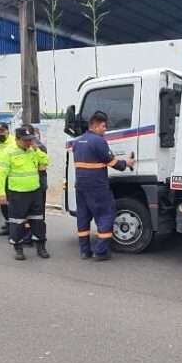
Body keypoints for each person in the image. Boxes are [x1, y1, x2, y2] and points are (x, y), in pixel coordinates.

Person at [71, 111, 134, 260]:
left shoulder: (77, 142)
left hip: (80, 186)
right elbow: (111, 162)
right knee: (106, 214)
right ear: (95, 125)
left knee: (83, 217)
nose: (105, 130)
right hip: (97, 186)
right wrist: (127, 164)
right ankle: (100, 252)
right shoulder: (98, 141)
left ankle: (85, 251)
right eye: (103, 126)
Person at [0, 126, 51, 260]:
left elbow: (45, 161)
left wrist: (36, 150)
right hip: (17, 194)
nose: (28, 142)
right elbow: (0, 175)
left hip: (35, 192)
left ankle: (41, 246)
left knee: (38, 221)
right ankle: (18, 248)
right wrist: (1, 193)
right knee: (17, 222)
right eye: (25, 140)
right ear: (17, 140)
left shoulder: (33, 150)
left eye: (30, 140)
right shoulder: (8, 153)